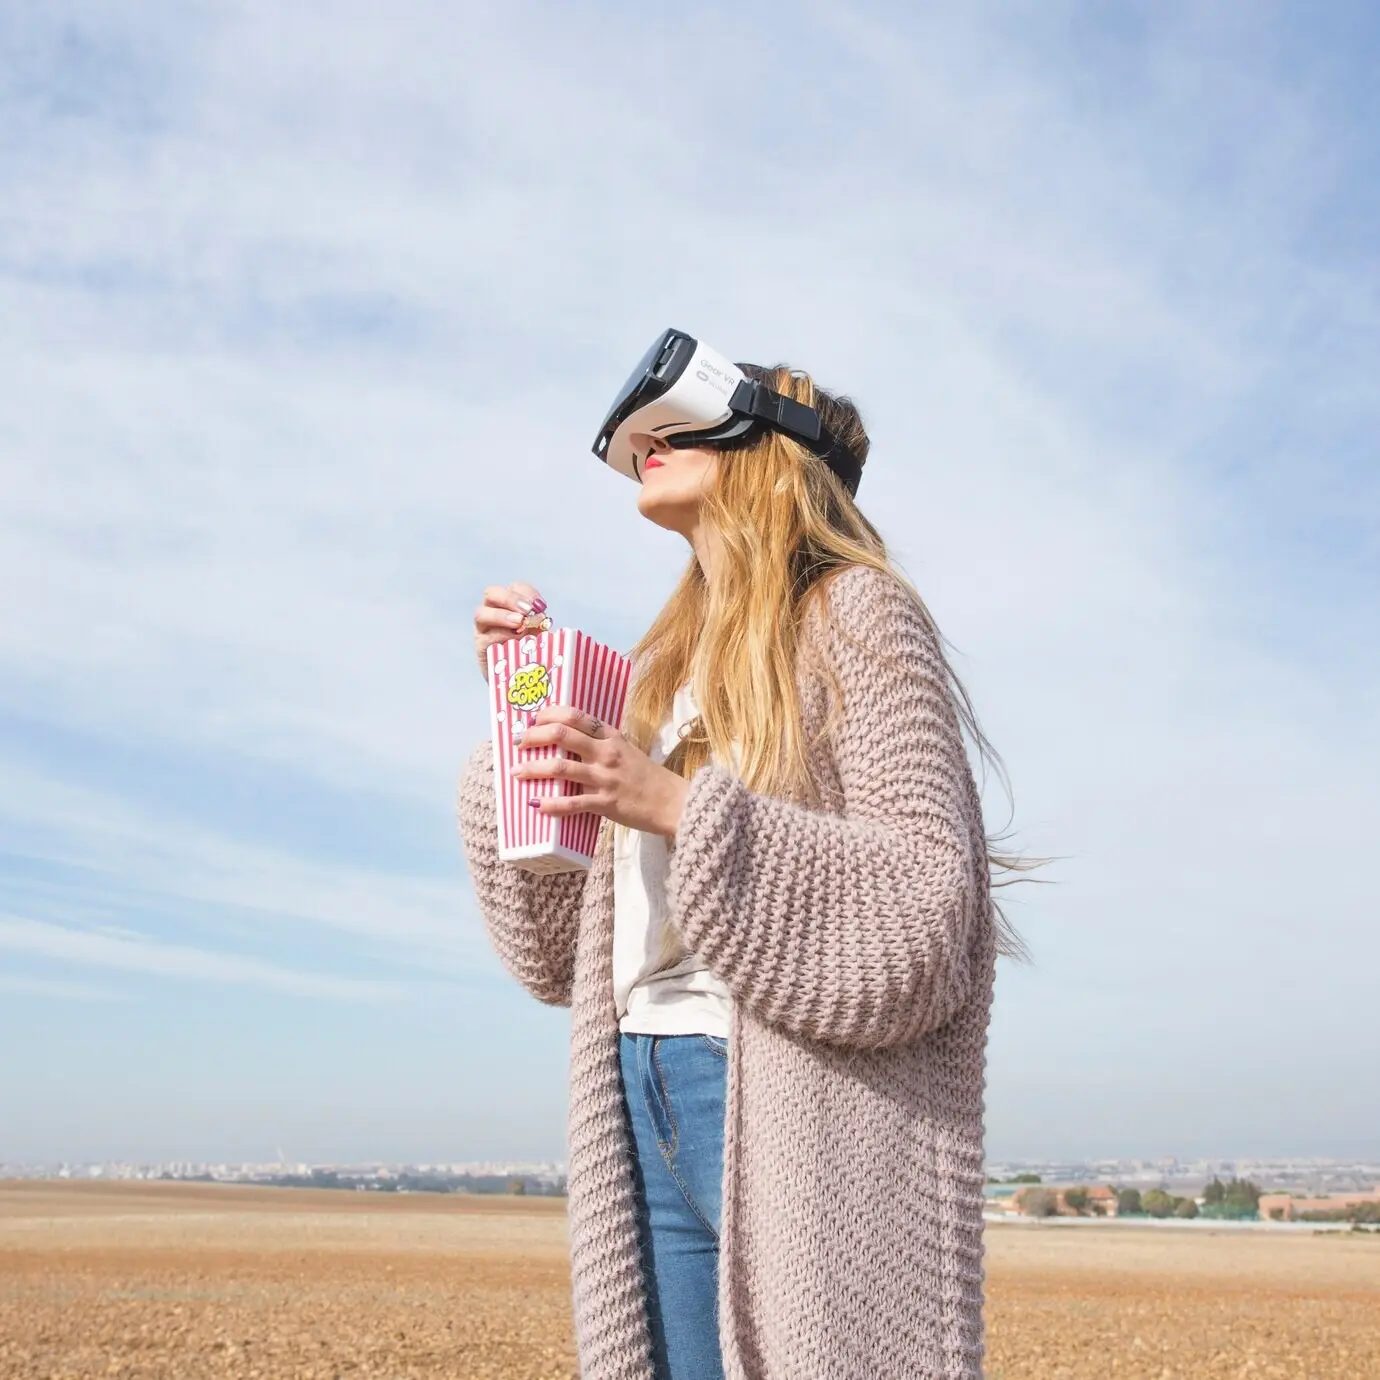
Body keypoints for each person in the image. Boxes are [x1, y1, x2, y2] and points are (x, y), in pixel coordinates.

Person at [458, 352, 1021, 1380]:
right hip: (640, 1080)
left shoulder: (858, 611)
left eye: (682, 421)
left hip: (784, 1099)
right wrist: (517, 714)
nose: (650, 441)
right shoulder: (659, 665)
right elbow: (550, 955)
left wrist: (676, 806)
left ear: (767, 447)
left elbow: (929, 908)